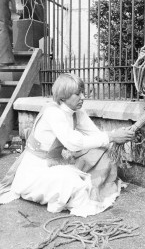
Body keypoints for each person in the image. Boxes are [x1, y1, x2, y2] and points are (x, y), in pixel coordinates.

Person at [0, 73, 135, 217]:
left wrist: (118, 135)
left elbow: (95, 134)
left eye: (83, 92)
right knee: (74, 185)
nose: (83, 97)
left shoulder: (77, 111)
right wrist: (112, 136)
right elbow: (73, 143)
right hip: (36, 169)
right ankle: (49, 195)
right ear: (63, 97)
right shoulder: (53, 112)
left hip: (55, 163)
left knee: (101, 151)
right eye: (77, 94)